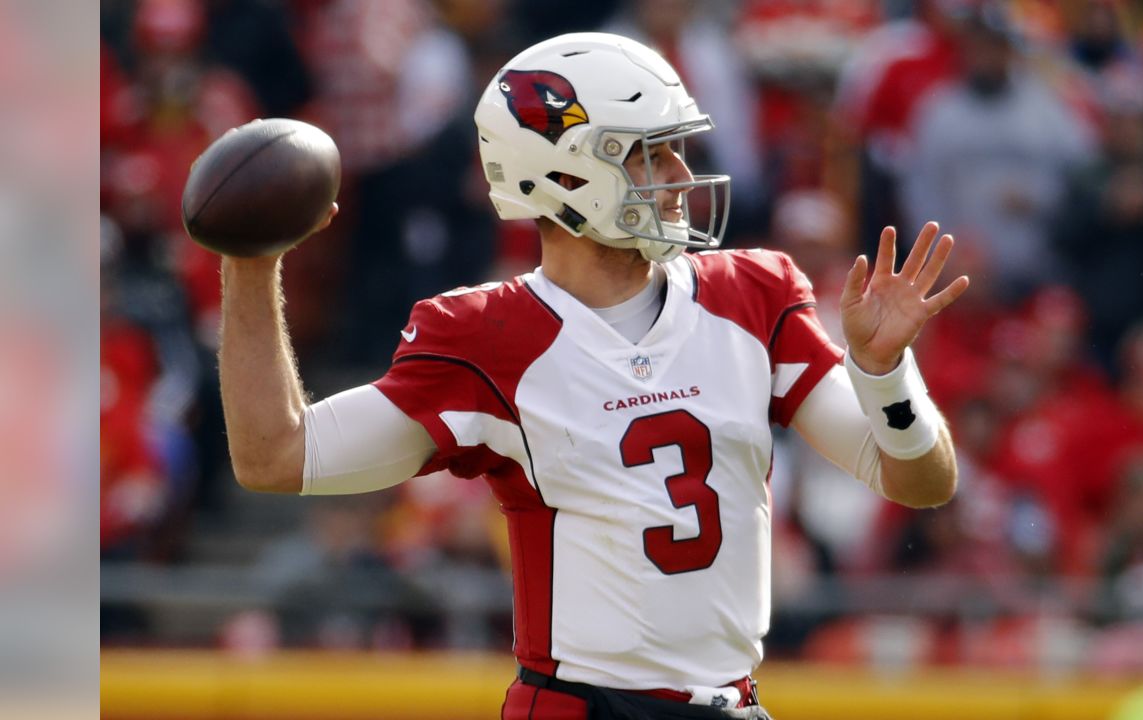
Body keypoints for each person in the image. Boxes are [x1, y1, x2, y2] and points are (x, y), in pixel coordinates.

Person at [217, 32, 968, 720]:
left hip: (733, 703)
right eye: (648, 153)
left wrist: (882, 372)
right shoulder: (489, 338)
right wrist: (252, 264)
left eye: (676, 150)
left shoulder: (751, 294)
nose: (680, 176)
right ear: (565, 170)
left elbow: (921, 482)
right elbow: (276, 455)